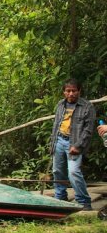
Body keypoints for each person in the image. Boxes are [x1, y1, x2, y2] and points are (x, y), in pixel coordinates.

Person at [50, 78, 96, 211]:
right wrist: (53, 143)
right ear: (64, 92)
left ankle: (84, 202)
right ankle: (60, 197)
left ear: (79, 91)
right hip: (59, 140)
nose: (71, 94)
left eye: (74, 91)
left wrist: (78, 146)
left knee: (74, 172)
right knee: (57, 171)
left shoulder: (87, 106)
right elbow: (56, 125)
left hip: (74, 142)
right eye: (68, 91)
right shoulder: (60, 105)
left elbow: (88, 130)